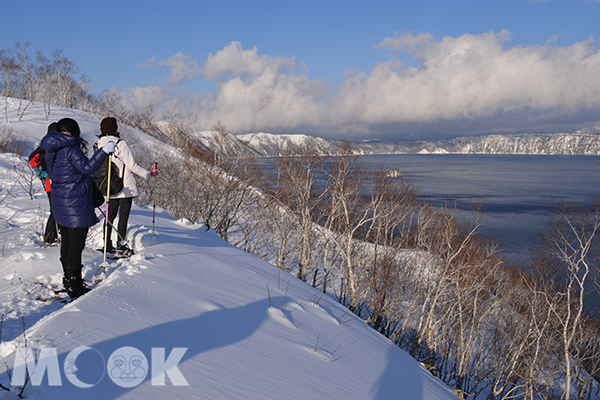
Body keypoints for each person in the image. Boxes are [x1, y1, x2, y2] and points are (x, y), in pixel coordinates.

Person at [41, 118, 117, 298]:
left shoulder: (52, 149)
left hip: (60, 203)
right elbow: (88, 168)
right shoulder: (71, 149)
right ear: (74, 132)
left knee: (67, 243)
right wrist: (104, 152)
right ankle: (75, 284)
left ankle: (68, 279)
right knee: (76, 246)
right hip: (75, 204)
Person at [95, 117, 157, 257]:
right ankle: (121, 246)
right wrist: (148, 174)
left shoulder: (99, 144)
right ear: (115, 128)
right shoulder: (120, 144)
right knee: (123, 217)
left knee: (109, 217)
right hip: (124, 187)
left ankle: (107, 245)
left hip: (108, 185)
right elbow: (132, 166)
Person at [28, 122, 60, 246]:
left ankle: (55, 235)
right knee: (55, 210)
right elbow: (32, 161)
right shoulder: (44, 146)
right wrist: (43, 155)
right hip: (50, 183)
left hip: (59, 183)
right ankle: (50, 238)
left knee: (58, 210)